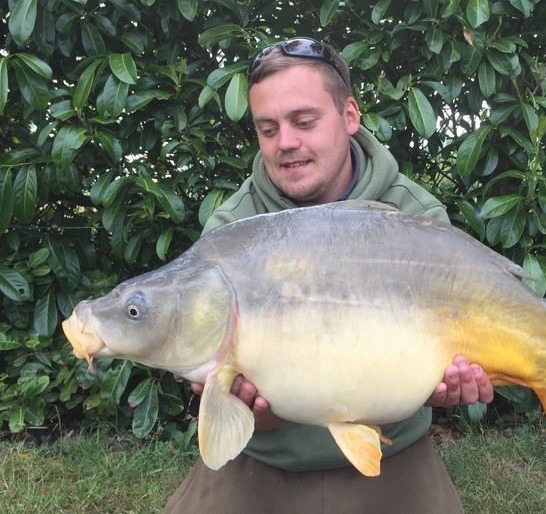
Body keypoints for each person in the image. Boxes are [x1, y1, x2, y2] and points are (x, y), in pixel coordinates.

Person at [163, 38, 494, 514]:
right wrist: (249, 409)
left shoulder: (413, 216)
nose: (285, 143)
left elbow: (441, 371)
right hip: (263, 457)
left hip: (390, 450)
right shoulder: (232, 232)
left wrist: (450, 386)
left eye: (304, 122)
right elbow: (211, 370)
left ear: (349, 116)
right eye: (268, 129)